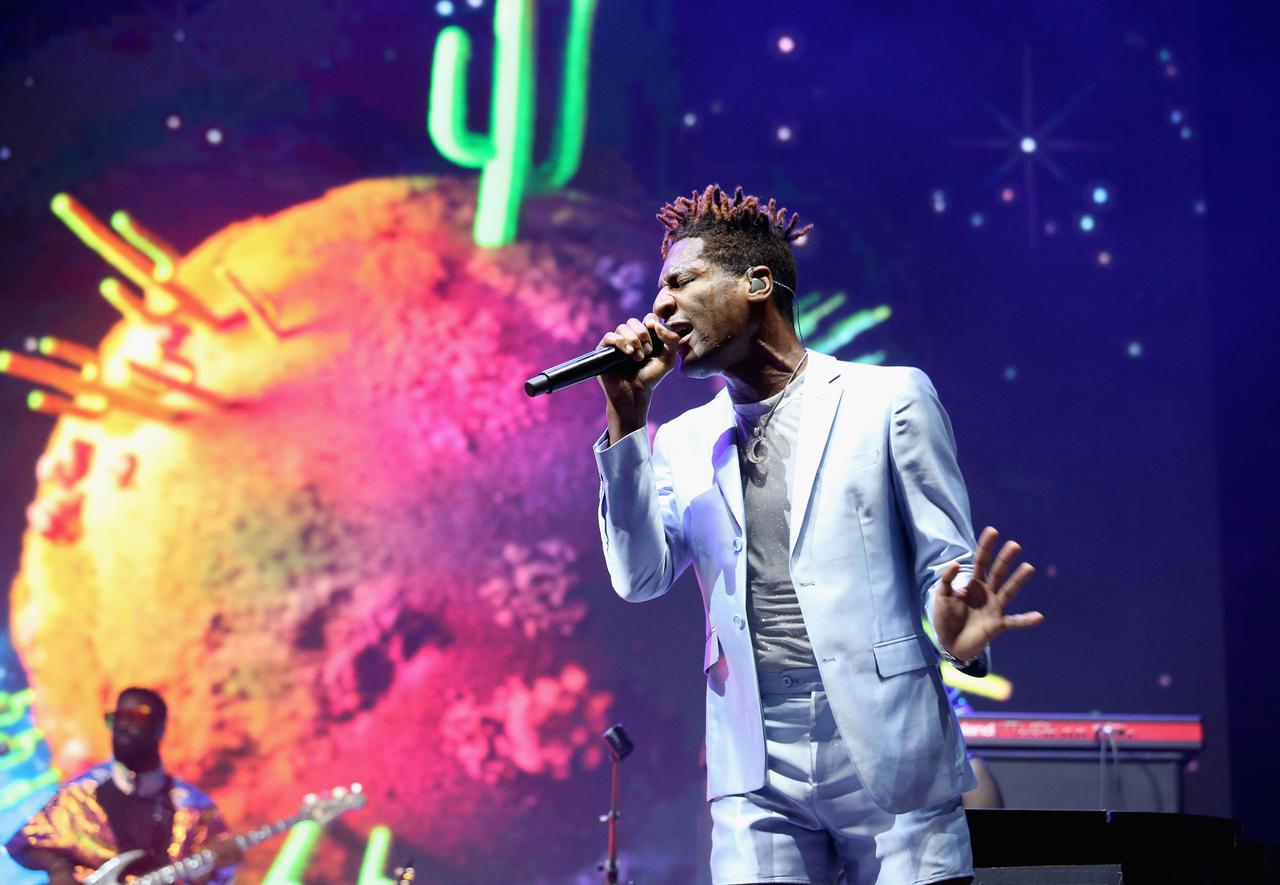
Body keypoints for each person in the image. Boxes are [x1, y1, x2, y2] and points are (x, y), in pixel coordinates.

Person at [592, 185, 1044, 885]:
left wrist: (956, 633)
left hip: (887, 742)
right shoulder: (680, 440)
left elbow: (945, 566)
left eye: (681, 282)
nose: (660, 307)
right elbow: (639, 576)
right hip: (753, 755)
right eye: (660, 290)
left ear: (757, 283)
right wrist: (627, 419)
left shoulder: (888, 399)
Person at [5, 687, 239, 884]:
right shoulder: (78, 797)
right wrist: (58, 868)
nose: (123, 725)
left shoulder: (195, 809)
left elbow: (218, 874)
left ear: (160, 727)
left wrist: (219, 868)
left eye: (136, 717)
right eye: (116, 718)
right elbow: (23, 845)